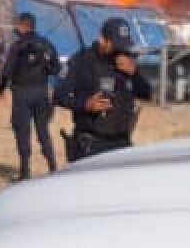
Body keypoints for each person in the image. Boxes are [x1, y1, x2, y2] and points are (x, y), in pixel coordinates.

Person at [60, 16, 152, 161]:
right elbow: (59, 95)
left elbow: (147, 94)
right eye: (116, 44)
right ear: (103, 40)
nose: (120, 49)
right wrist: (85, 104)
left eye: (123, 45)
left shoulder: (126, 61)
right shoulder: (82, 61)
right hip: (92, 145)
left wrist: (135, 74)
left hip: (122, 143)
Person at [0, 11, 61, 178]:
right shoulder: (46, 44)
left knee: (22, 131)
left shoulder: (17, 46)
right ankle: (53, 167)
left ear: (24, 26)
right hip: (41, 93)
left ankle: (25, 171)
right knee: (43, 131)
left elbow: (7, 71)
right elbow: (57, 69)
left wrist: (1, 89)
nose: (16, 28)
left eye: (18, 25)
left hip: (22, 94)